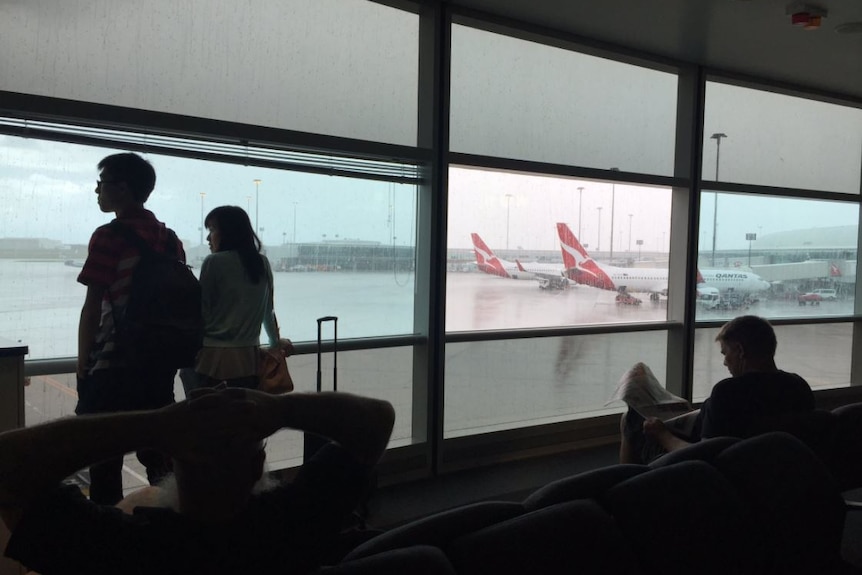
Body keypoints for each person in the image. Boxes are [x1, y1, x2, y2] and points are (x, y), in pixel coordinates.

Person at [0, 388, 395, 575]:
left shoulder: (117, 550)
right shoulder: (294, 524)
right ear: (258, 466)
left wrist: (153, 424)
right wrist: (280, 408)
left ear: (172, 457)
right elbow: (377, 421)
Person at [76, 152, 185, 504]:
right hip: (158, 363)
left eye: (101, 184)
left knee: (104, 458)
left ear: (121, 189)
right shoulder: (170, 239)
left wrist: (83, 364)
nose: (97, 192)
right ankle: (167, 526)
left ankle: (108, 542)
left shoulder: (108, 236)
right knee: (159, 456)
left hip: (112, 363)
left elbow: (93, 306)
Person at [620, 315, 815, 464]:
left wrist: (663, 435)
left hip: (713, 474)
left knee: (631, 419)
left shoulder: (728, 392)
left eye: (726, 353)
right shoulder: (799, 385)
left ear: (740, 351)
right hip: (768, 471)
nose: (724, 362)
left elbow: (706, 456)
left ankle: (625, 494)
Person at [186, 205, 286, 392]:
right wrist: (275, 345)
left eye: (213, 230)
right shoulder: (261, 263)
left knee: (209, 415)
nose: (208, 238)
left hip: (214, 359)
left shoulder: (213, 262)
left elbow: (202, 310)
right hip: (250, 360)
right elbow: (268, 311)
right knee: (243, 415)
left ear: (229, 232)